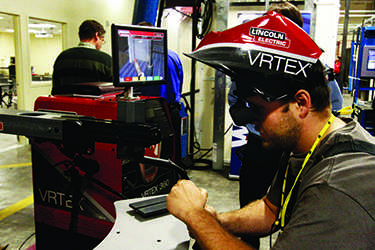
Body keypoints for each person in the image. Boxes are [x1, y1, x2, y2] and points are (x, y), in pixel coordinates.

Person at [167, 12, 375, 249]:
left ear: (301, 104)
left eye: (258, 109)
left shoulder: (334, 187)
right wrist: (217, 221)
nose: (253, 120)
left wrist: (196, 216)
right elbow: (270, 210)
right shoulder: (304, 146)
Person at [228, 2, 343, 248]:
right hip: (260, 146)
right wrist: (262, 116)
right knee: (254, 201)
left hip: (294, 146)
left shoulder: (315, 66)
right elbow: (236, 109)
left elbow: (332, 106)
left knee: (296, 211)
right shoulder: (250, 70)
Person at [135, 21, 184, 166]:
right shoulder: (173, 56)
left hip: (154, 112)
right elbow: (180, 83)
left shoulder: (144, 60)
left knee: (154, 157)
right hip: (172, 110)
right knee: (172, 153)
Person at [52, 20, 112, 95]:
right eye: (102, 39)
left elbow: (55, 91)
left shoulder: (61, 58)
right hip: (93, 106)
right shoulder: (105, 60)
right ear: (96, 36)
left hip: (64, 106)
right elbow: (116, 91)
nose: (101, 43)